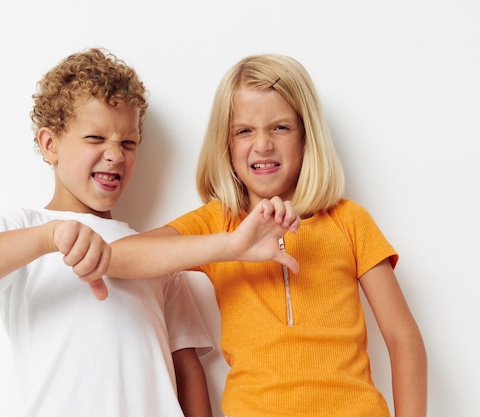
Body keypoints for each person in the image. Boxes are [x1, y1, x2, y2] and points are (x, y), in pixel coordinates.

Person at [98, 54, 428, 417]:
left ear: (307, 137)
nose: (263, 145)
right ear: (225, 143)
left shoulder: (348, 221)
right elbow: (116, 258)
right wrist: (232, 245)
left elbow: (403, 338)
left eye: (280, 128)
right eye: (244, 131)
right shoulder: (218, 223)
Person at [0, 48, 221, 417]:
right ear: (50, 144)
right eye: (96, 139)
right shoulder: (25, 229)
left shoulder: (154, 252)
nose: (115, 155)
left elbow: (187, 368)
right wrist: (47, 238)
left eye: (128, 142)